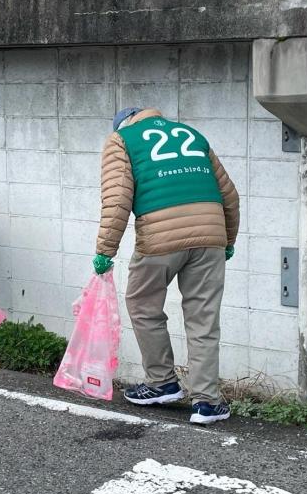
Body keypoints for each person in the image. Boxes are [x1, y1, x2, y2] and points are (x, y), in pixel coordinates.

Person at [93, 108, 239, 424]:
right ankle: (207, 403)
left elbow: (117, 200)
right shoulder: (192, 135)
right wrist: (228, 240)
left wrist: (105, 250)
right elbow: (230, 196)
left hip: (160, 237)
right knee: (203, 319)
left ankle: (162, 382)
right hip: (210, 235)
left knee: (142, 304)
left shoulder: (121, 140)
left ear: (123, 124)